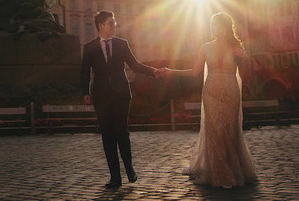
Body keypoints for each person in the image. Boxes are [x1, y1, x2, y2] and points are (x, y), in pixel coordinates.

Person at [160, 12, 257, 188]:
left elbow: (246, 73)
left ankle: (234, 168)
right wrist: (171, 71)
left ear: (226, 27)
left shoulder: (236, 48)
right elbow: (195, 71)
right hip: (211, 92)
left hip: (230, 92)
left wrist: (244, 58)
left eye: (218, 25)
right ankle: (221, 174)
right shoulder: (205, 47)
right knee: (214, 130)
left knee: (229, 129)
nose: (214, 28)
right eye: (212, 25)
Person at [81, 10, 163, 189]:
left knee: (121, 132)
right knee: (107, 136)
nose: (114, 26)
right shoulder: (89, 47)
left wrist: (153, 71)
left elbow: (134, 64)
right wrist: (85, 93)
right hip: (101, 97)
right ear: (101, 25)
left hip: (121, 95)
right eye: (111, 23)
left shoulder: (122, 44)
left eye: (114, 23)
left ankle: (129, 167)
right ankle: (115, 177)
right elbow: (84, 72)